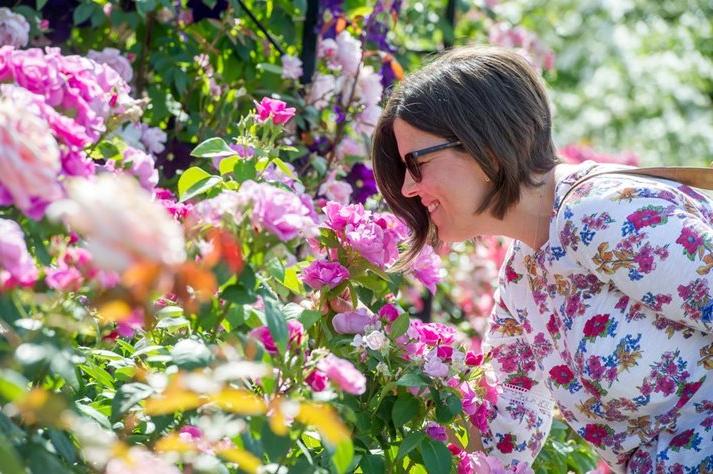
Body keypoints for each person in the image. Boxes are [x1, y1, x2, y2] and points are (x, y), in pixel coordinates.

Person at [371, 45, 713, 473]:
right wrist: (380, 357)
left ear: (484, 146)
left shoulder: (600, 215)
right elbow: (504, 443)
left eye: (415, 163)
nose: (406, 188)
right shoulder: (522, 280)